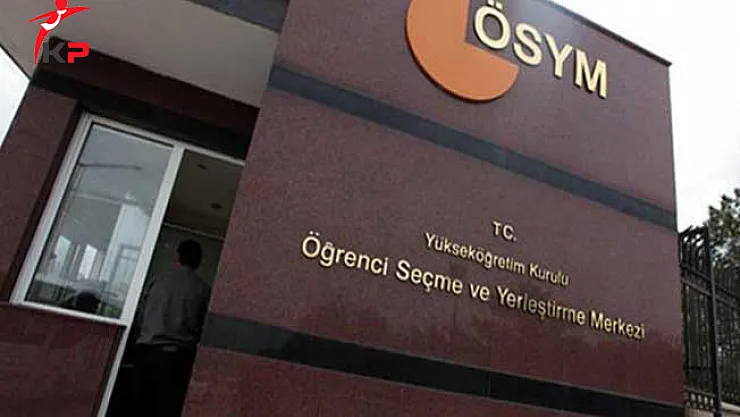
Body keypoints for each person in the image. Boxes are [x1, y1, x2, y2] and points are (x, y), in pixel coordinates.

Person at [133, 240, 211, 416]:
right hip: (177, 359)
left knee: (138, 405)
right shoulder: (203, 290)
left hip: (146, 351)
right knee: (167, 407)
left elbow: (141, 315)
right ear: (199, 262)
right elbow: (204, 326)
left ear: (178, 257)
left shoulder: (157, 281)